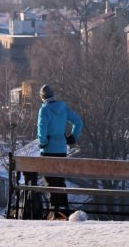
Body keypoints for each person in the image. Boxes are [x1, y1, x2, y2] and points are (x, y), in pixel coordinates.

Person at [37, 84, 83, 218]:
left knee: (50, 181)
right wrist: (72, 137)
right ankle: (64, 210)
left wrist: (43, 143)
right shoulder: (63, 108)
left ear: (42, 97)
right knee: (60, 180)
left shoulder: (44, 110)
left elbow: (42, 129)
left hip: (48, 151)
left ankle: (54, 211)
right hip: (62, 150)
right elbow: (78, 122)